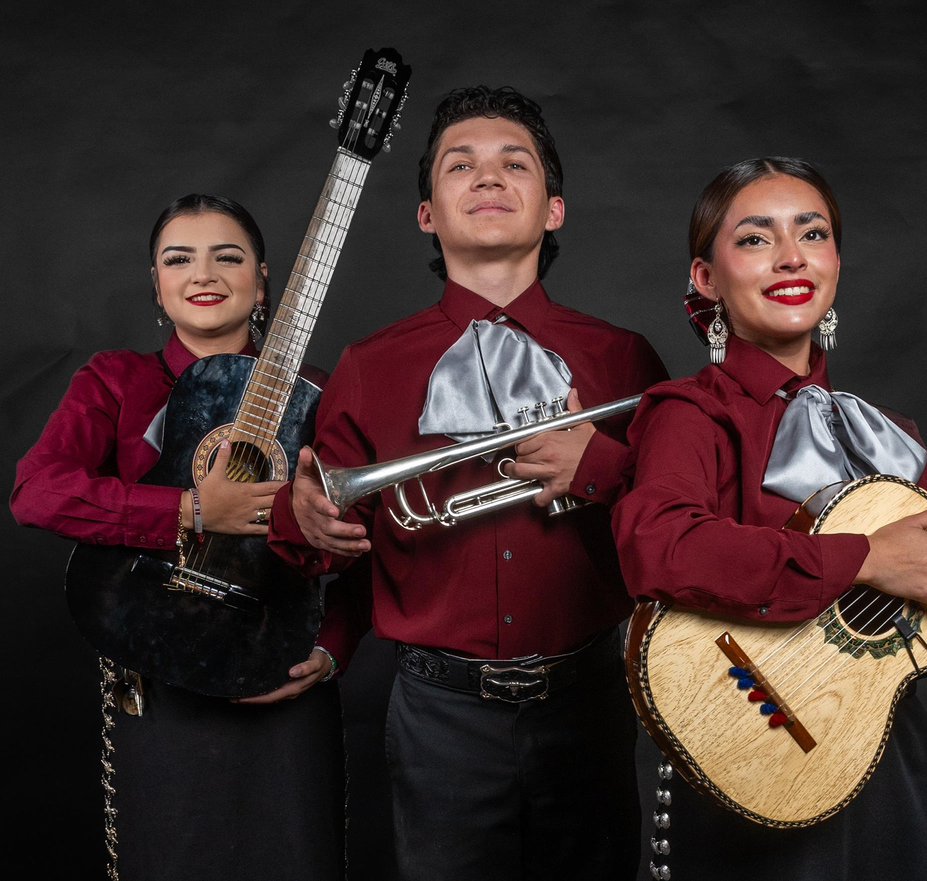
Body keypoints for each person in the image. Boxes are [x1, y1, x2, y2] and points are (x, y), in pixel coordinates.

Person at [611, 158, 927, 879]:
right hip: (745, 752)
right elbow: (659, 547)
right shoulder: (691, 412)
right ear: (706, 279)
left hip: (884, 758)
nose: (792, 255)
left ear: (835, 263)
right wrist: (862, 558)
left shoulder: (887, 431)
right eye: (757, 239)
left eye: (813, 233)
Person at [267, 86, 669, 881]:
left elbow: (674, 528)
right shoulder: (369, 364)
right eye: (462, 165)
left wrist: (596, 466)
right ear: (427, 214)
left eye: (513, 163)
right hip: (439, 715)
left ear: (553, 209)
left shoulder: (623, 358)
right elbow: (323, 527)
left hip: (589, 697)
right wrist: (299, 514)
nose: (488, 177)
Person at [10, 194, 366, 881]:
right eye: (179, 258)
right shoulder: (117, 380)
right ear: (157, 282)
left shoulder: (320, 394)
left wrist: (331, 650)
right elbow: (37, 491)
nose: (203, 273)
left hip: (281, 678)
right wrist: (190, 510)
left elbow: (371, 542)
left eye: (227, 256)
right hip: (158, 679)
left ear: (263, 281)